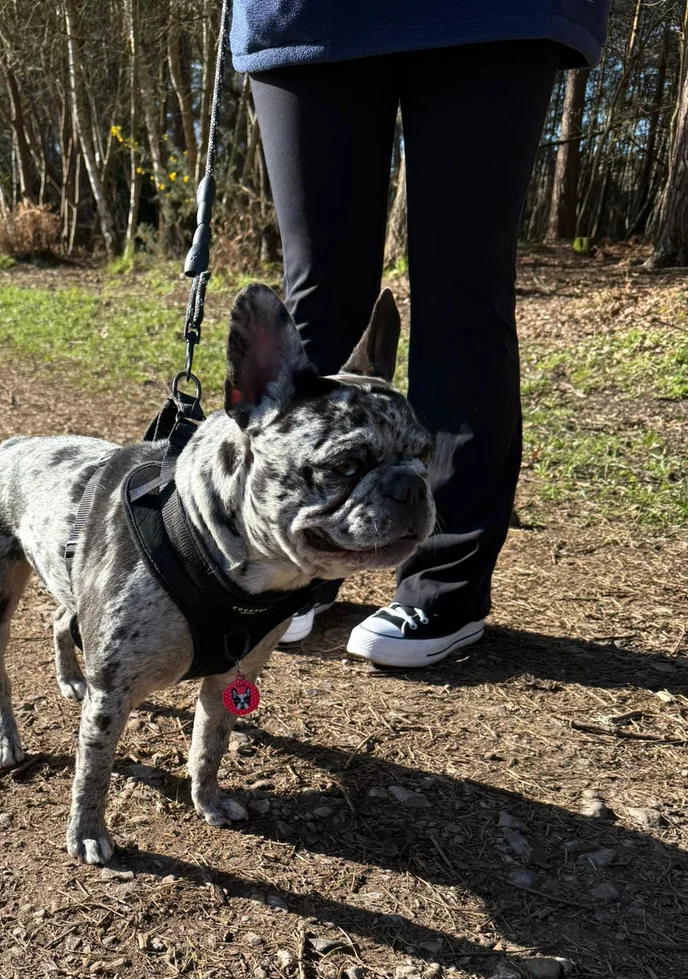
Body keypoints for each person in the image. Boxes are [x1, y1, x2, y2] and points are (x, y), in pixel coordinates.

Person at [231, 1, 609, 665]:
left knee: (462, 291)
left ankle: (443, 584)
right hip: (305, 16)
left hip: (492, 14)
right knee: (317, 290)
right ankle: (305, 555)